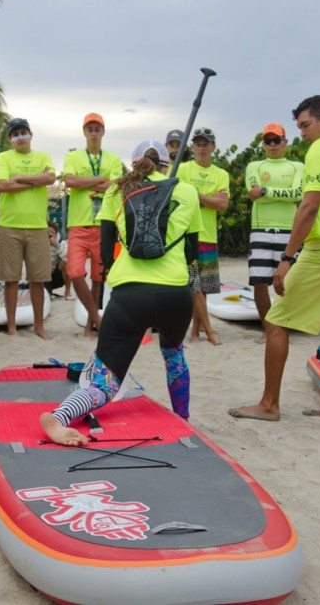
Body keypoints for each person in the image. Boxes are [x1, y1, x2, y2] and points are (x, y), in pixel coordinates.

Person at [39, 141, 202, 446]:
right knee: (173, 354)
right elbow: (192, 251)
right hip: (175, 296)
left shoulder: (117, 190)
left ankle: (60, 416)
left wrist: (126, 270)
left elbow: (105, 251)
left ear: (135, 163)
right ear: (166, 164)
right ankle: (183, 419)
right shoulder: (187, 191)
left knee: (105, 382)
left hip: (129, 295)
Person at [229, 95, 320, 424]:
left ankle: (269, 404)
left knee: (276, 321)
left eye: (306, 125)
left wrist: (288, 257)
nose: (302, 133)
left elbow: (310, 205)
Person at [0, 118, 56, 339]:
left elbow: (50, 178)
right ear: (10, 139)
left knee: (37, 280)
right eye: (15, 134)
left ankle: (39, 326)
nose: (20, 137)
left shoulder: (42, 156)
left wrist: (19, 177)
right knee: (10, 279)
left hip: (38, 226)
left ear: (31, 134)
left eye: (23, 132)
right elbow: (2, 185)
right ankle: (11, 326)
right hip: (9, 225)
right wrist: (35, 180)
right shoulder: (3, 157)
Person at [62, 113, 124, 337]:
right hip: (78, 224)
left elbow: (116, 185)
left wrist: (86, 183)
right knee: (75, 273)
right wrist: (100, 180)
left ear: (103, 131)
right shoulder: (74, 157)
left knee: (99, 278)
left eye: (97, 129)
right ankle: (97, 318)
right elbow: (69, 181)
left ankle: (90, 326)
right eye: (90, 129)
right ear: (84, 132)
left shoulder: (113, 159)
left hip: (103, 224)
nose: (94, 132)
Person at [245, 122, 304, 336]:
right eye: (268, 141)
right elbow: (252, 193)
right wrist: (272, 193)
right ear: (263, 144)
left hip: (290, 230)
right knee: (260, 282)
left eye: (276, 140)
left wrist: (266, 191)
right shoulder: (254, 166)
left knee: (288, 281)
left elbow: (298, 194)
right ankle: (268, 329)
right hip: (260, 229)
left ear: (285, 142)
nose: (272, 144)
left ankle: (284, 326)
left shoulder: (297, 167)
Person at [177, 127, 229, 345]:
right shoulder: (182, 168)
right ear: (192, 147)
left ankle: (195, 332)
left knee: (204, 287)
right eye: (198, 143)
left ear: (213, 147)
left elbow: (223, 204)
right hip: (187, 233)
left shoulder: (221, 174)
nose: (201, 147)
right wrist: (209, 199)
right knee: (194, 286)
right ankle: (208, 331)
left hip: (208, 235)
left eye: (205, 143)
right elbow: (180, 196)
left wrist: (195, 195)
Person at [45, 223, 71, 299]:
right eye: (47, 233)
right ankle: (47, 291)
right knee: (46, 297)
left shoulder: (61, 242)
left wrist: (56, 245)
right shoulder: (39, 243)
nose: (50, 236)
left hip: (57, 276)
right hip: (44, 276)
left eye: (52, 233)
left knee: (64, 264)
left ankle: (67, 291)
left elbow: (67, 259)